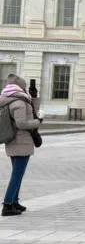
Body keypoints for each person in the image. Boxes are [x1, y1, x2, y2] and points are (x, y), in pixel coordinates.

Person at [1, 74, 42, 216]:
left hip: (13, 140)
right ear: (21, 87)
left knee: (18, 173)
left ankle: (14, 202)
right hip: (21, 141)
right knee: (17, 174)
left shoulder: (10, 100)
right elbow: (21, 123)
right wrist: (38, 122)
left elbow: (30, 112)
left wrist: (33, 98)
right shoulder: (19, 103)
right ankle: (7, 205)